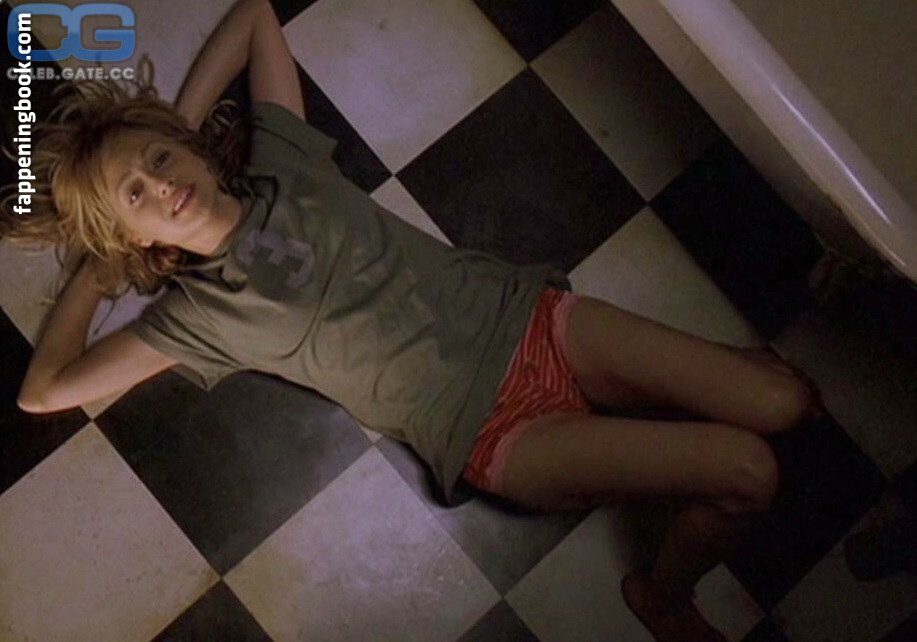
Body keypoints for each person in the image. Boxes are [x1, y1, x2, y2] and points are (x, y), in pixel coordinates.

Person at [1, 0, 826, 639]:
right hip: (492, 433)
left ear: (187, 146)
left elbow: (254, 16)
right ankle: (661, 595)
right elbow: (42, 392)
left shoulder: (283, 162)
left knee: (785, 402)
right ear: (137, 236)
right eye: (136, 195)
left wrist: (170, 125)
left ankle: (692, 396)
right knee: (748, 470)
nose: (160, 183)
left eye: (159, 159)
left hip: (534, 322)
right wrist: (99, 268)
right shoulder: (195, 319)